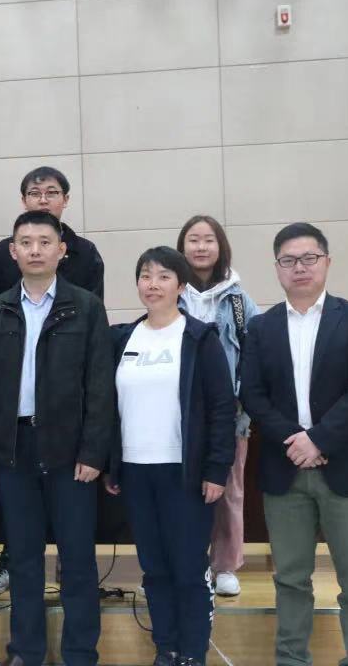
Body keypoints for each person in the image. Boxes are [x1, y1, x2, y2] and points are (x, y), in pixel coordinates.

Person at [239, 223, 348, 666]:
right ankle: (291, 659)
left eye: (309, 258)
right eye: (288, 260)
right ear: (277, 268)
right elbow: (253, 395)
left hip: (347, 468)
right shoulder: (260, 328)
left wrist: (318, 439)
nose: (299, 268)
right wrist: (296, 441)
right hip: (284, 470)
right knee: (290, 579)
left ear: (327, 262)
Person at [0, 211, 115, 666]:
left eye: (44, 241)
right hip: (14, 450)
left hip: (70, 452)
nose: (35, 250)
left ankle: (80, 653)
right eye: (25, 242)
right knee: (23, 560)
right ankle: (26, 651)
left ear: (61, 250)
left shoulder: (86, 307)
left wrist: (94, 451)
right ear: (12, 251)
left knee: (77, 559)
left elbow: (100, 385)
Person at [105, 246, 237, 666]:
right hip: (135, 472)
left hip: (185, 473)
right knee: (154, 568)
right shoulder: (122, 338)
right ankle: (167, 648)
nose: (153, 284)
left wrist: (216, 470)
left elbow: (222, 410)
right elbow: (108, 407)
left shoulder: (199, 338)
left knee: (188, 568)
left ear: (181, 286)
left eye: (164, 276)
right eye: (146, 275)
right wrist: (112, 464)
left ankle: (193, 652)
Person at [176, 215, 260, 598]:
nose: (200, 247)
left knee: (228, 491)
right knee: (184, 488)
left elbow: (256, 353)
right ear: (182, 247)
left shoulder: (239, 300)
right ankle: (190, 560)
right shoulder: (172, 292)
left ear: (220, 246)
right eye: (193, 239)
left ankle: (224, 565)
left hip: (229, 412)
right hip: (179, 410)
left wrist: (244, 405)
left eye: (208, 239)